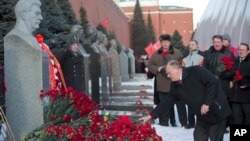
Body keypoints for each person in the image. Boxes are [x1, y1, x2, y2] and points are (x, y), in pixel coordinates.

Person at [139, 60, 231, 141]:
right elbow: (166, 103)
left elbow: (213, 83)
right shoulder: (175, 86)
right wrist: (151, 116)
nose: (168, 76)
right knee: (199, 137)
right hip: (201, 117)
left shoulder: (196, 71)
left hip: (217, 112)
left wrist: (207, 103)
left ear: (177, 69)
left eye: (169, 73)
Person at [148, 34, 184, 127]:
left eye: (167, 42)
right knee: (163, 104)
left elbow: (183, 65)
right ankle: (164, 123)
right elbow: (150, 65)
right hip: (162, 83)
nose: (165, 44)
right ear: (161, 43)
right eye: (163, 42)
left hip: (174, 83)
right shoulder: (156, 53)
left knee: (173, 104)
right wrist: (158, 69)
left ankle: (174, 122)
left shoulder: (177, 53)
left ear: (170, 42)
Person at [203, 35, 235, 133]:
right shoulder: (208, 53)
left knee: (222, 104)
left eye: (218, 42)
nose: (216, 44)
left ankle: (223, 126)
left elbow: (233, 69)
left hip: (222, 83)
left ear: (222, 42)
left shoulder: (228, 53)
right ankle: (211, 125)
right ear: (213, 43)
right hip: (210, 84)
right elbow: (204, 68)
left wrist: (224, 74)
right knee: (211, 104)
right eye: (215, 42)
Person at [182, 40, 204, 129]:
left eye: (193, 44)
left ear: (197, 46)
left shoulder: (201, 57)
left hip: (199, 84)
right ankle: (191, 122)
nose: (191, 46)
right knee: (189, 103)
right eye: (190, 44)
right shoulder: (185, 58)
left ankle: (200, 122)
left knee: (199, 103)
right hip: (188, 84)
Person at [231, 43, 250, 124]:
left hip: (247, 96)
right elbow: (231, 74)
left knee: (248, 117)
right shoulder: (235, 61)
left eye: (243, 50)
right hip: (235, 96)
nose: (241, 51)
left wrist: (247, 83)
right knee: (237, 118)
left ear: (248, 51)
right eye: (239, 49)